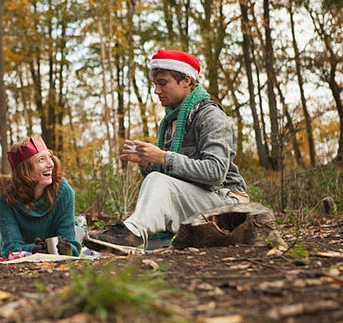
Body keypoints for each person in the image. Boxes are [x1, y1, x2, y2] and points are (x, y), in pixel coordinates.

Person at [86, 49, 248, 251]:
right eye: (155, 84)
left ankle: (131, 234)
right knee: (154, 181)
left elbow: (215, 173)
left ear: (186, 80)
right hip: (199, 200)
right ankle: (131, 234)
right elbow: (172, 182)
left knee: (156, 180)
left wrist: (163, 157)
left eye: (162, 83)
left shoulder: (210, 116)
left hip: (227, 203)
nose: (156, 90)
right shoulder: (171, 120)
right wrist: (148, 164)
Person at [0, 136, 83, 258]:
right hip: (20, 240)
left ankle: (79, 224)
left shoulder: (64, 191)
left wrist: (68, 248)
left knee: (77, 232)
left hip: (55, 237)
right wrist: (34, 249)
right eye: (41, 160)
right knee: (0, 240)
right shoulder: (5, 196)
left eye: (50, 157)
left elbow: (72, 246)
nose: (50, 164)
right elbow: (10, 249)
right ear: (24, 170)